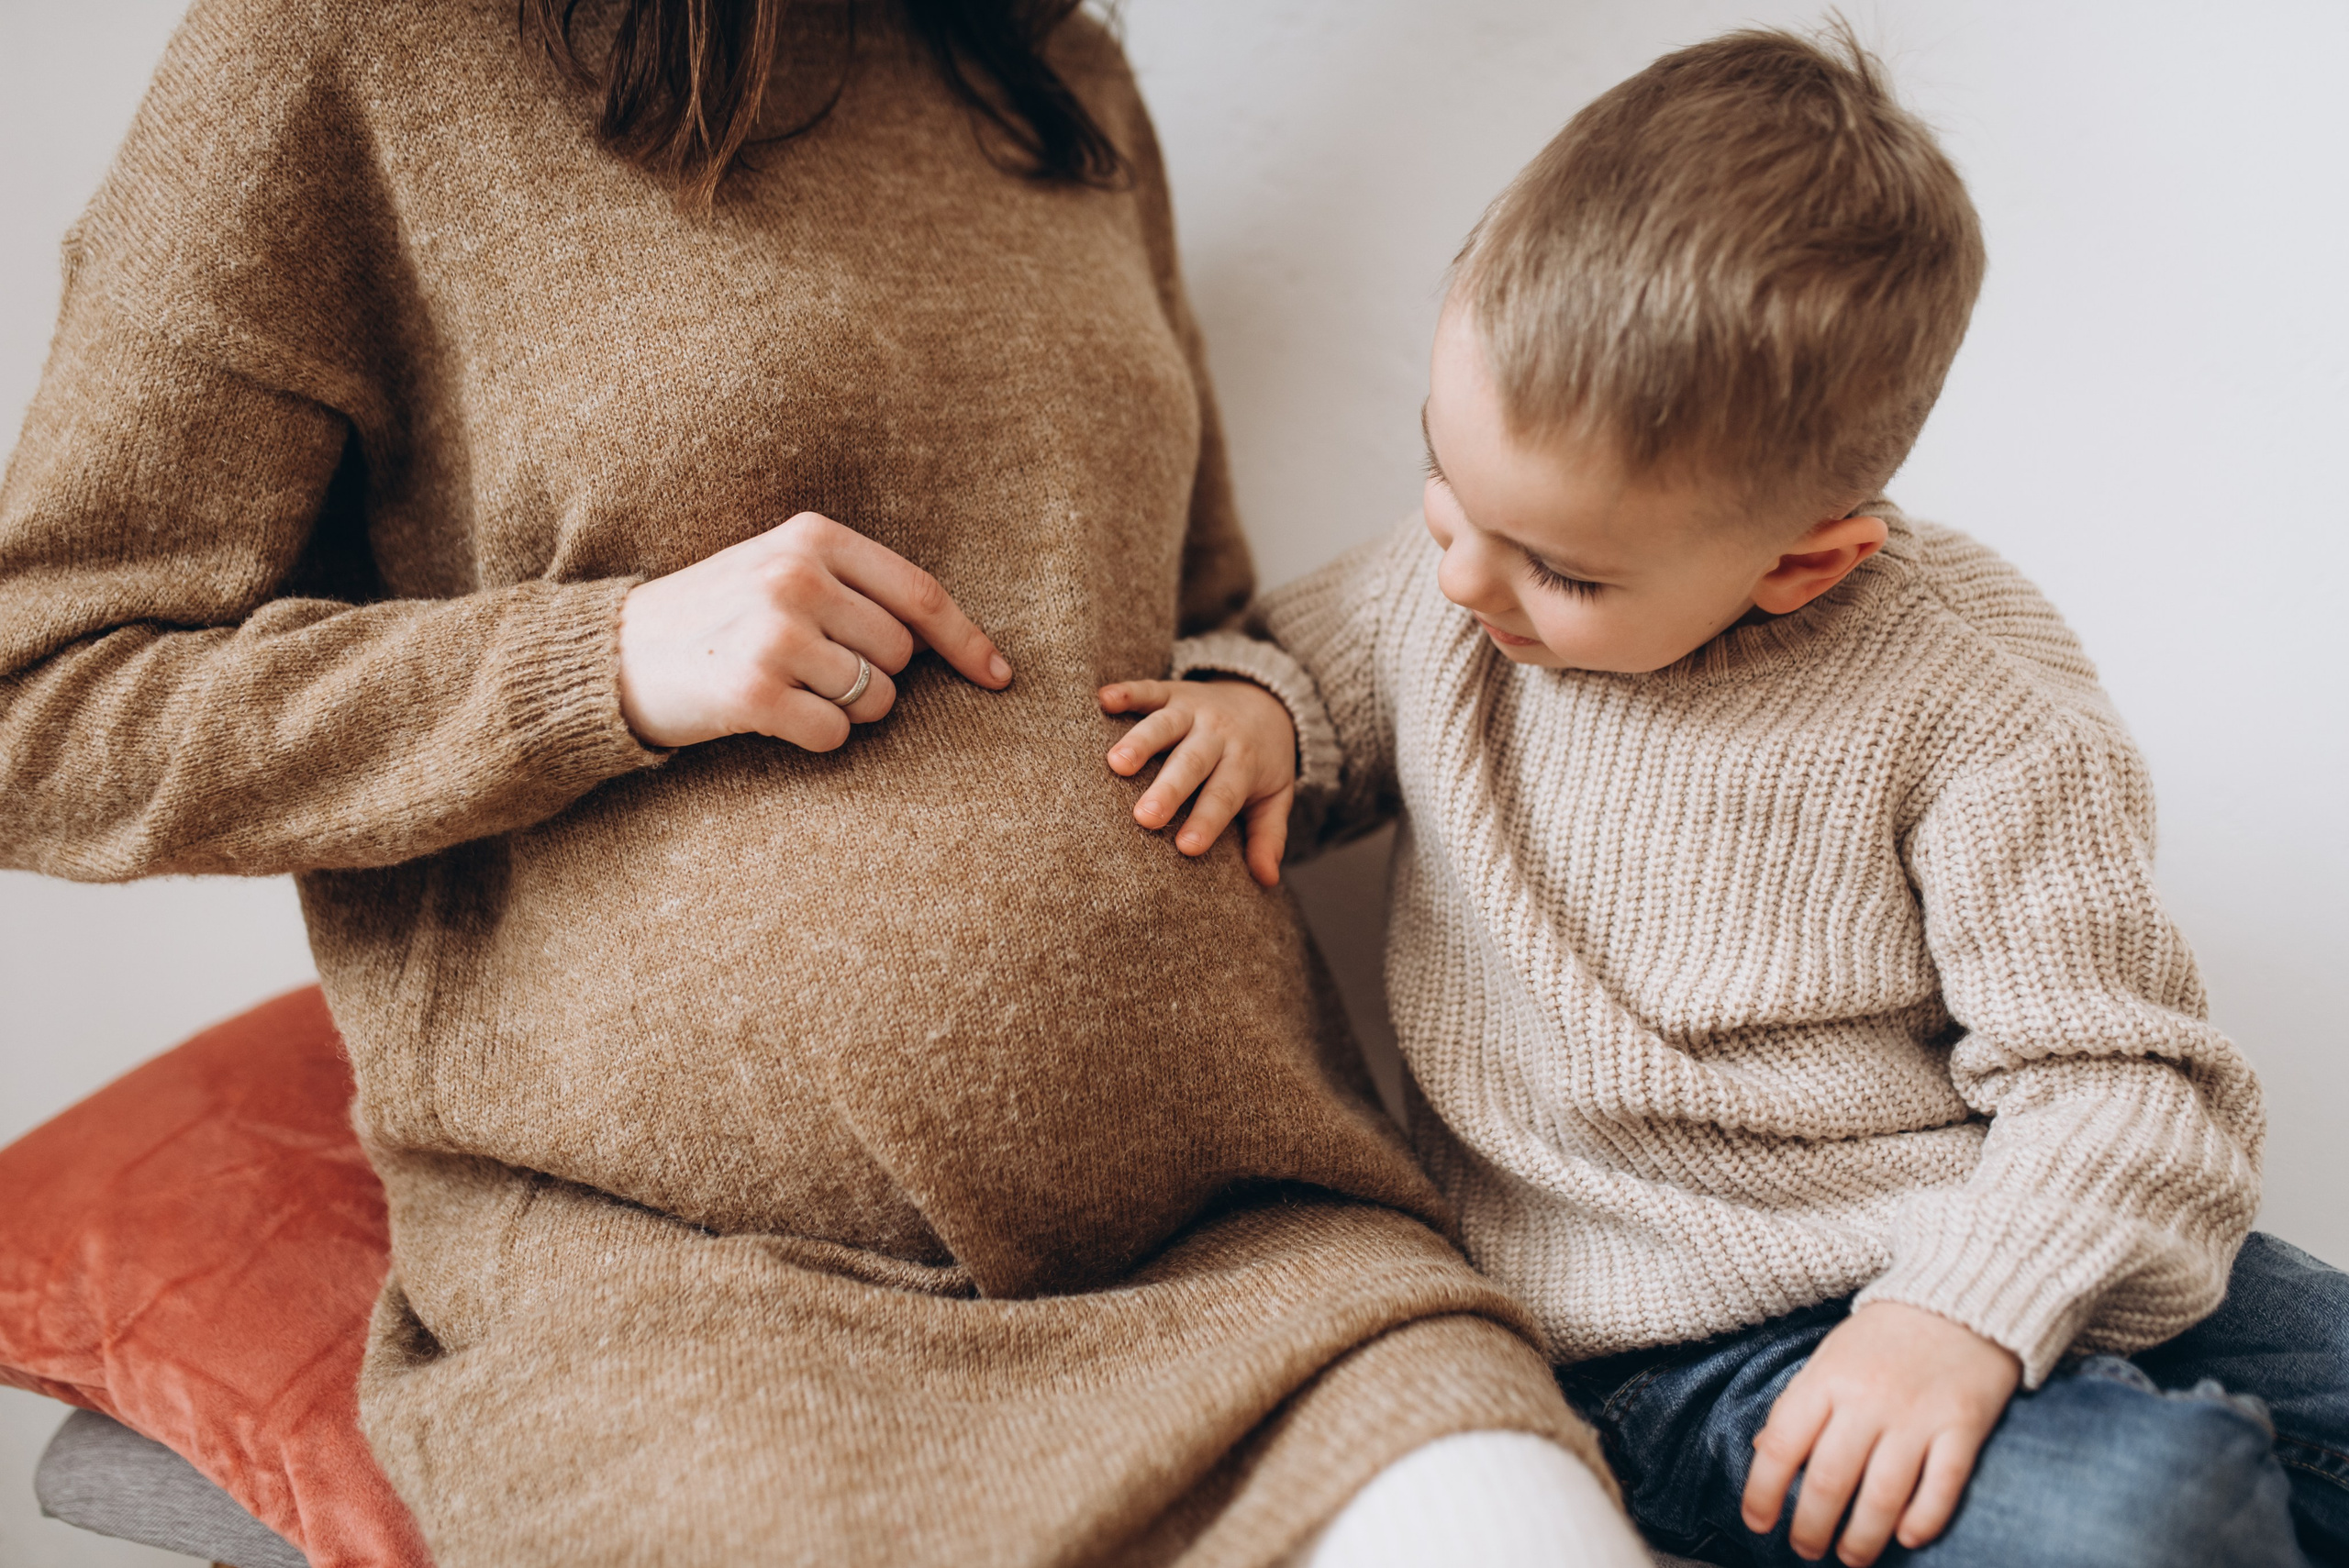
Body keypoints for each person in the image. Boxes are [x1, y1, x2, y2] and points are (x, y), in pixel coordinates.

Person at [0, 1, 1652, 1563]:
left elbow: (1192, 620)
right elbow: (42, 702)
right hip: (689, 1291)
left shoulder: (1051, 71)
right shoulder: (348, 51)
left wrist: (1266, 698)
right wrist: (612, 661)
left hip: (1241, 1227)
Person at [1097, 24, 2349, 1568]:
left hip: (1970, 1234)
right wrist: (1254, 713)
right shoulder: (1449, 604)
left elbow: (2129, 1083)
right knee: (2158, 1511)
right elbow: (1300, 670)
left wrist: (1963, 1306)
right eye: (1441, 479)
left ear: (1803, 560)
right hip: (1674, 1351)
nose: (1460, 574)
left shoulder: (1970, 700)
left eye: (1564, 568)